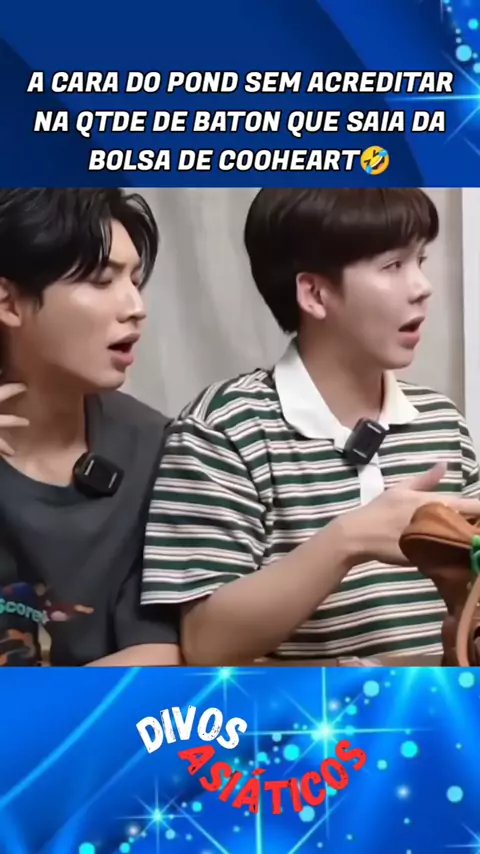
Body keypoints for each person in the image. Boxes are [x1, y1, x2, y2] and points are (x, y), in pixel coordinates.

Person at [141, 187, 480, 666]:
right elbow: (204, 644)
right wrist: (351, 539)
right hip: (306, 715)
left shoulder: (441, 421)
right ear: (315, 294)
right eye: (393, 265)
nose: (422, 286)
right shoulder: (224, 427)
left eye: (419, 260)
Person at [0, 188, 180, 666]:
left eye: (135, 281)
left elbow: (160, 650)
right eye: (101, 281)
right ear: (9, 303)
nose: (135, 306)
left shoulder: (156, 447)